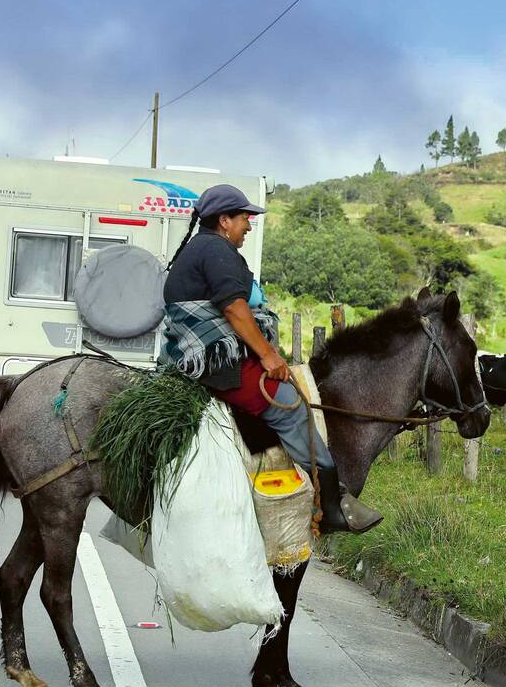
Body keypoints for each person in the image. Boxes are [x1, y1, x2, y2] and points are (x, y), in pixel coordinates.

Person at [160, 184, 382, 534]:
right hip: (215, 365)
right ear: (224, 220)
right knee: (290, 404)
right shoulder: (218, 252)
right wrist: (268, 355)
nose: (249, 226)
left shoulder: (197, 248)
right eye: (244, 218)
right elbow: (234, 308)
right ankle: (331, 501)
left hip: (192, 356)